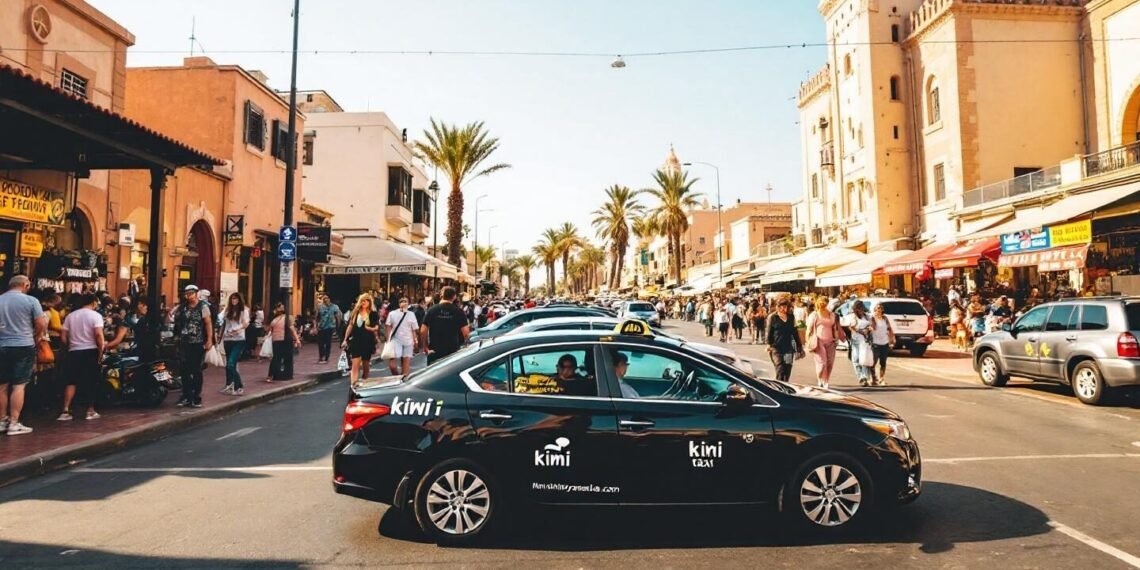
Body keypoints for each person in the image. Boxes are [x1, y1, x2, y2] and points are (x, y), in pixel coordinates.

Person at [0, 276, 47, 435]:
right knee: (19, 384)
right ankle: (14, 422)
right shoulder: (31, 301)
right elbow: (41, 323)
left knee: (2, 385)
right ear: (25, 285)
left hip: (2, 345)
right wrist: (37, 336)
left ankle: (1, 420)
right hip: (23, 344)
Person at [59, 293, 105, 421]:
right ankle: (90, 410)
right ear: (93, 302)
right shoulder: (96, 316)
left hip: (74, 351)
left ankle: (65, 410)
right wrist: (101, 350)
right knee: (91, 380)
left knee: (71, 381)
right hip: (90, 350)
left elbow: (63, 337)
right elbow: (98, 335)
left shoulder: (70, 316)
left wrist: (69, 346)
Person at [172, 284, 213, 407]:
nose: (189, 296)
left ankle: (196, 396)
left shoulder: (203, 307)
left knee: (196, 370)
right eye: (187, 293)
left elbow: (208, 323)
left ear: (196, 293)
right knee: (184, 370)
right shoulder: (182, 308)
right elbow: (176, 321)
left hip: (197, 342)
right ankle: (186, 395)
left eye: (191, 293)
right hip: (184, 342)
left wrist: (209, 339)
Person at [420, 286, 470, 365]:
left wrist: (425, 347)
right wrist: (465, 347)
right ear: (454, 297)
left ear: (441, 296)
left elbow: (423, 330)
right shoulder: (459, 311)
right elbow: (466, 333)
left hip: (435, 350)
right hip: (453, 351)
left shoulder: (432, 310)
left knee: (433, 374)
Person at [805, 297, 845, 390]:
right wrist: (807, 342)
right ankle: (820, 379)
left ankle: (826, 380)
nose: (823, 305)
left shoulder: (832, 315)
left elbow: (835, 327)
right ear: (818, 304)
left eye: (825, 303)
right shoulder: (814, 315)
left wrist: (837, 338)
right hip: (818, 341)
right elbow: (809, 330)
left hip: (831, 341)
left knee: (830, 363)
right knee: (822, 363)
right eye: (821, 303)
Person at [342, 294, 380, 384]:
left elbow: (376, 327)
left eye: (366, 301)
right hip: (356, 340)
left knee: (366, 366)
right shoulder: (355, 312)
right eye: (362, 300)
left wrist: (370, 329)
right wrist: (345, 339)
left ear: (370, 302)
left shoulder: (373, 313)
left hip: (368, 340)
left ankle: (364, 382)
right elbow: (350, 326)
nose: (364, 302)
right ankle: (354, 385)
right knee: (355, 364)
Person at [220, 293, 250, 395]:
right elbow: (221, 321)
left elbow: (246, 323)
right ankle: (229, 384)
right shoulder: (227, 310)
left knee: (231, 364)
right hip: (227, 339)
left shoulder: (243, 311)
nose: (234, 301)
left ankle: (239, 386)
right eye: (232, 299)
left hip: (238, 339)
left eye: (236, 299)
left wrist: (236, 330)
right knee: (228, 364)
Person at [766, 299, 802, 383]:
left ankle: (785, 385)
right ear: (777, 307)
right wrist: (768, 344)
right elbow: (769, 331)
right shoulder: (773, 317)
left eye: (785, 306)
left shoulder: (791, 317)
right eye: (781, 307)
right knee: (780, 367)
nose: (783, 309)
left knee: (787, 368)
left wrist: (799, 346)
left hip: (788, 347)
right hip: (776, 347)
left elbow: (795, 332)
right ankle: (778, 387)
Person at [384, 297, 420, 377]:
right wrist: (388, 339)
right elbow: (388, 326)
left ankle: (403, 381)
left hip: (408, 342)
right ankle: (397, 377)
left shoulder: (411, 314)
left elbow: (414, 329)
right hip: (395, 341)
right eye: (402, 301)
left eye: (406, 301)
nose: (404, 303)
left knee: (405, 366)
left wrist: (415, 340)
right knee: (392, 366)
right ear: (399, 304)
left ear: (408, 304)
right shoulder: (392, 313)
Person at [265, 302, 299, 382]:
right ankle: (273, 374)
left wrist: (297, 339)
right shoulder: (274, 319)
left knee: (285, 357)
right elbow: (268, 329)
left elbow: (292, 328)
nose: (281, 309)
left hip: (284, 339)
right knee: (277, 357)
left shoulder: (288, 317)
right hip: (276, 339)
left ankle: (282, 374)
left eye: (282, 307)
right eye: (279, 307)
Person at [848, 301, 874, 387]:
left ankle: (865, 377)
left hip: (865, 341)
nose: (860, 310)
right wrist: (860, 331)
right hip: (856, 340)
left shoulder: (867, 316)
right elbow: (850, 327)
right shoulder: (853, 317)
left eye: (861, 308)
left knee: (864, 359)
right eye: (858, 308)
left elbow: (873, 326)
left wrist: (868, 329)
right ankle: (861, 377)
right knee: (856, 359)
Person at [869, 303, 895, 386]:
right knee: (873, 362)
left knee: (883, 362)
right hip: (875, 343)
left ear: (882, 310)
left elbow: (889, 329)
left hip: (884, 343)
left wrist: (892, 339)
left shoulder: (885, 318)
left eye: (880, 308)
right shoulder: (872, 318)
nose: (879, 310)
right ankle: (873, 378)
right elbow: (870, 328)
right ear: (875, 310)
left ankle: (881, 379)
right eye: (877, 308)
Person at [315, 295, 342, 364]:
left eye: (327, 298)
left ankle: (326, 357)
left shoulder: (334, 307)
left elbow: (338, 317)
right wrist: (316, 326)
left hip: (330, 327)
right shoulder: (320, 307)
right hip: (321, 327)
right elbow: (317, 317)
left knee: (327, 343)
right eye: (324, 298)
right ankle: (321, 356)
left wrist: (337, 327)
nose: (325, 299)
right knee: (320, 343)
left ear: (329, 299)